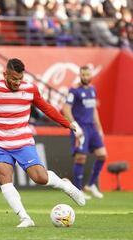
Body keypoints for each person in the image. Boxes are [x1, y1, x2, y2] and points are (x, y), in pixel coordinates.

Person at [0, 58, 85, 228]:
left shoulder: (30, 89)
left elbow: (47, 108)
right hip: (1, 144)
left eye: (20, 78)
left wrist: (68, 123)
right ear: (5, 74)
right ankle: (25, 218)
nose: (17, 82)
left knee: (40, 178)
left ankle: (65, 185)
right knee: (2, 176)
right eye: (13, 78)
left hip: (23, 143)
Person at [63, 65, 107, 199]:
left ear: (91, 75)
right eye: (83, 74)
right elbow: (66, 109)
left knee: (102, 155)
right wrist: (74, 125)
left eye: (88, 75)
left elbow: (94, 110)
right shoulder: (74, 90)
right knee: (81, 157)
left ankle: (92, 184)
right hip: (80, 126)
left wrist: (100, 129)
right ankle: (78, 189)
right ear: (80, 75)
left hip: (92, 128)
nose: (85, 77)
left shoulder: (93, 89)